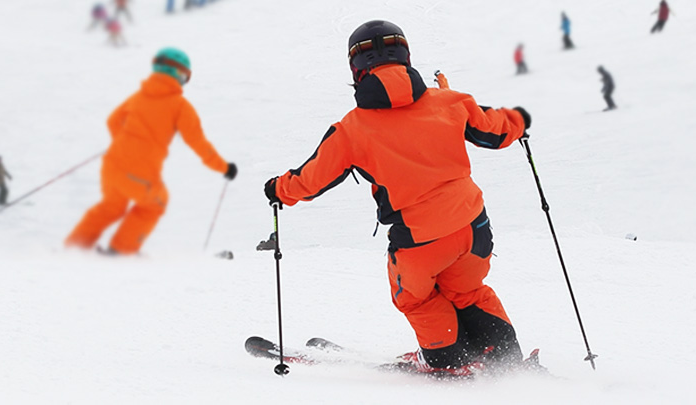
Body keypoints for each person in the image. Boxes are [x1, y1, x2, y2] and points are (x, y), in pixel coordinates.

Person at [263, 20, 531, 376]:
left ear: (356, 69)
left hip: (420, 240)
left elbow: (309, 181)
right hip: (473, 226)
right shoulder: (449, 101)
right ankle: (506, 360)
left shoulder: (351, 129)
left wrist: (277, 188)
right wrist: (519, 120)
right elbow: (496, 131)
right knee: (467, 289)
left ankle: (446, 360)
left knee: (415, 297)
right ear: (405, 56)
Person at [65, 48, 238, 255]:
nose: (184, 81)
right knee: (157, 202)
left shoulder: (139, 96)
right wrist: (224, 167)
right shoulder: (179, 106)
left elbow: (113, 121)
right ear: (176, 73)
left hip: (112, 166)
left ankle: (73, 248)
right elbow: (198, 143)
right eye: (185, 76)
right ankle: (121, 250)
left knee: (111, 207)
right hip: (139, 174)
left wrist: (126, 144)